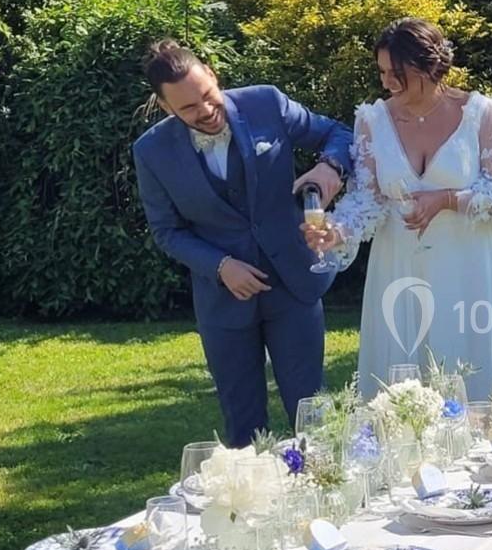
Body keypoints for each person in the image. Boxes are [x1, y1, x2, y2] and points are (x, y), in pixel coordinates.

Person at [134, 40, 351, 447]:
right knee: (243, 428)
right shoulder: (150, 152)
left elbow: (337, 134)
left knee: (314, 414)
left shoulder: (266, 103)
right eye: (188, 109)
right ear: (165, 108)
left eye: (207, 95)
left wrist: (329, 168)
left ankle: (330, 496)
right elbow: (166, 231)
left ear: (213, 76)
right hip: (223, 304)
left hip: (294, 284)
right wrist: (220, 266)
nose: (206, 111)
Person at [302, 18, 492, 401]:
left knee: (476, 379)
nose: (387, 83)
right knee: (402, 391)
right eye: (383, 72)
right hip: (399, 268)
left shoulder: (482, 115)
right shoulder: (372, 121)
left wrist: (447, 199)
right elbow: (367, 200)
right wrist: (336, 230)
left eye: (398, 73)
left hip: (469, 268)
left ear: (430, 66)